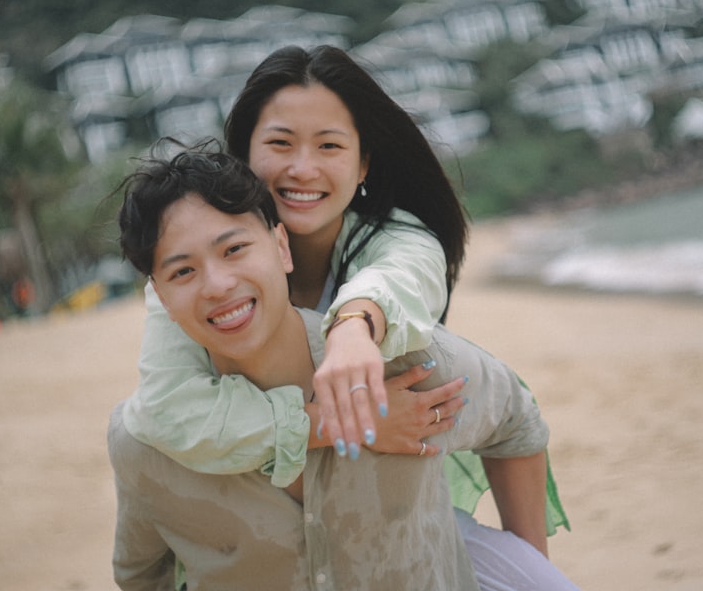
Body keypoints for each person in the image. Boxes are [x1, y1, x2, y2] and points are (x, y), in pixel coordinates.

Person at [120, 46, 567, 556]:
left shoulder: (399, 241)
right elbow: (168, 409)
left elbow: (400, 280)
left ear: (362, 166)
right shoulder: (200, 277)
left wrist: (353, 328)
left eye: (329, 146)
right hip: (259, 534)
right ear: (244, 155)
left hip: (388, 512)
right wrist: (343, 422)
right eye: (280, 143)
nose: (302, 168)